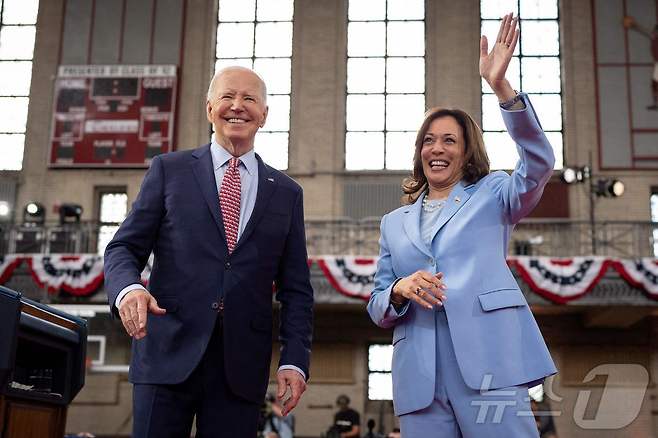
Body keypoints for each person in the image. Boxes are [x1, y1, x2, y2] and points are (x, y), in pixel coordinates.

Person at [366, 13, 557, 437]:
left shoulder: (494, 193)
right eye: (428, 141)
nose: (437, 148)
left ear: (466, 150)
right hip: (419, 379)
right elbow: (378, 304)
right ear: (419, 152)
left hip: (491, 364)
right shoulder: (393, 223)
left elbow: (540, 164)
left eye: (449, 140)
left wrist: (502, 88)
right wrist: (399, 290)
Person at [104, 66, 314, 437]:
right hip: (166, 355)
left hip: (241, 369)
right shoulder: (169, 170)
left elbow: (296, 290)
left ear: (264, 115)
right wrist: (129, 288)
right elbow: (123, 247)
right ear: (209, 109)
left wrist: (295, 360)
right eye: (227, 97)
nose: (238, 106)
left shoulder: (287, 192)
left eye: (250, 99)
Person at [623, 16, 658, 110]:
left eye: (655, 30)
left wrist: (634, 25)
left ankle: (655, 104)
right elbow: (645, 31)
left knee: (655, 84)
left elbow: (644, 30)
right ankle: (655, 104)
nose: (653, 32)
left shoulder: (655, 37)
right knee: (654, 84)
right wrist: (634, 26)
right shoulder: (654, 38)